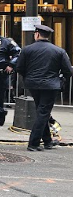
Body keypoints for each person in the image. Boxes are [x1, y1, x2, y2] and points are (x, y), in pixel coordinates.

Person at [15, 24, 73, 152]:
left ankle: (47, 141)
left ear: (36, 34)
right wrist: (60, 78)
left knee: (42, 112)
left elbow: (19, 68)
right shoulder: (59, 51)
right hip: (50, 85)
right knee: (43, 113)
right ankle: (33, 143)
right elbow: (68, 71)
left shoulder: (27, 49)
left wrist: (28, 76)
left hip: (33, 85)